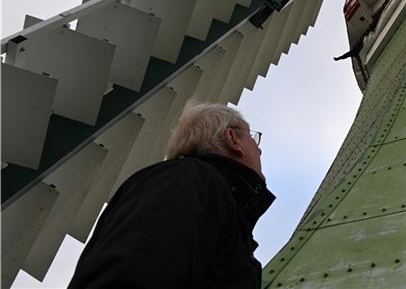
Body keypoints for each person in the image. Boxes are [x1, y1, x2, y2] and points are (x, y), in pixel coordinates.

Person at [68, 102, 275, 289]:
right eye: (252, 137)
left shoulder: (220, 206)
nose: (259, 150)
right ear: (232, 139)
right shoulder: (189, 180)